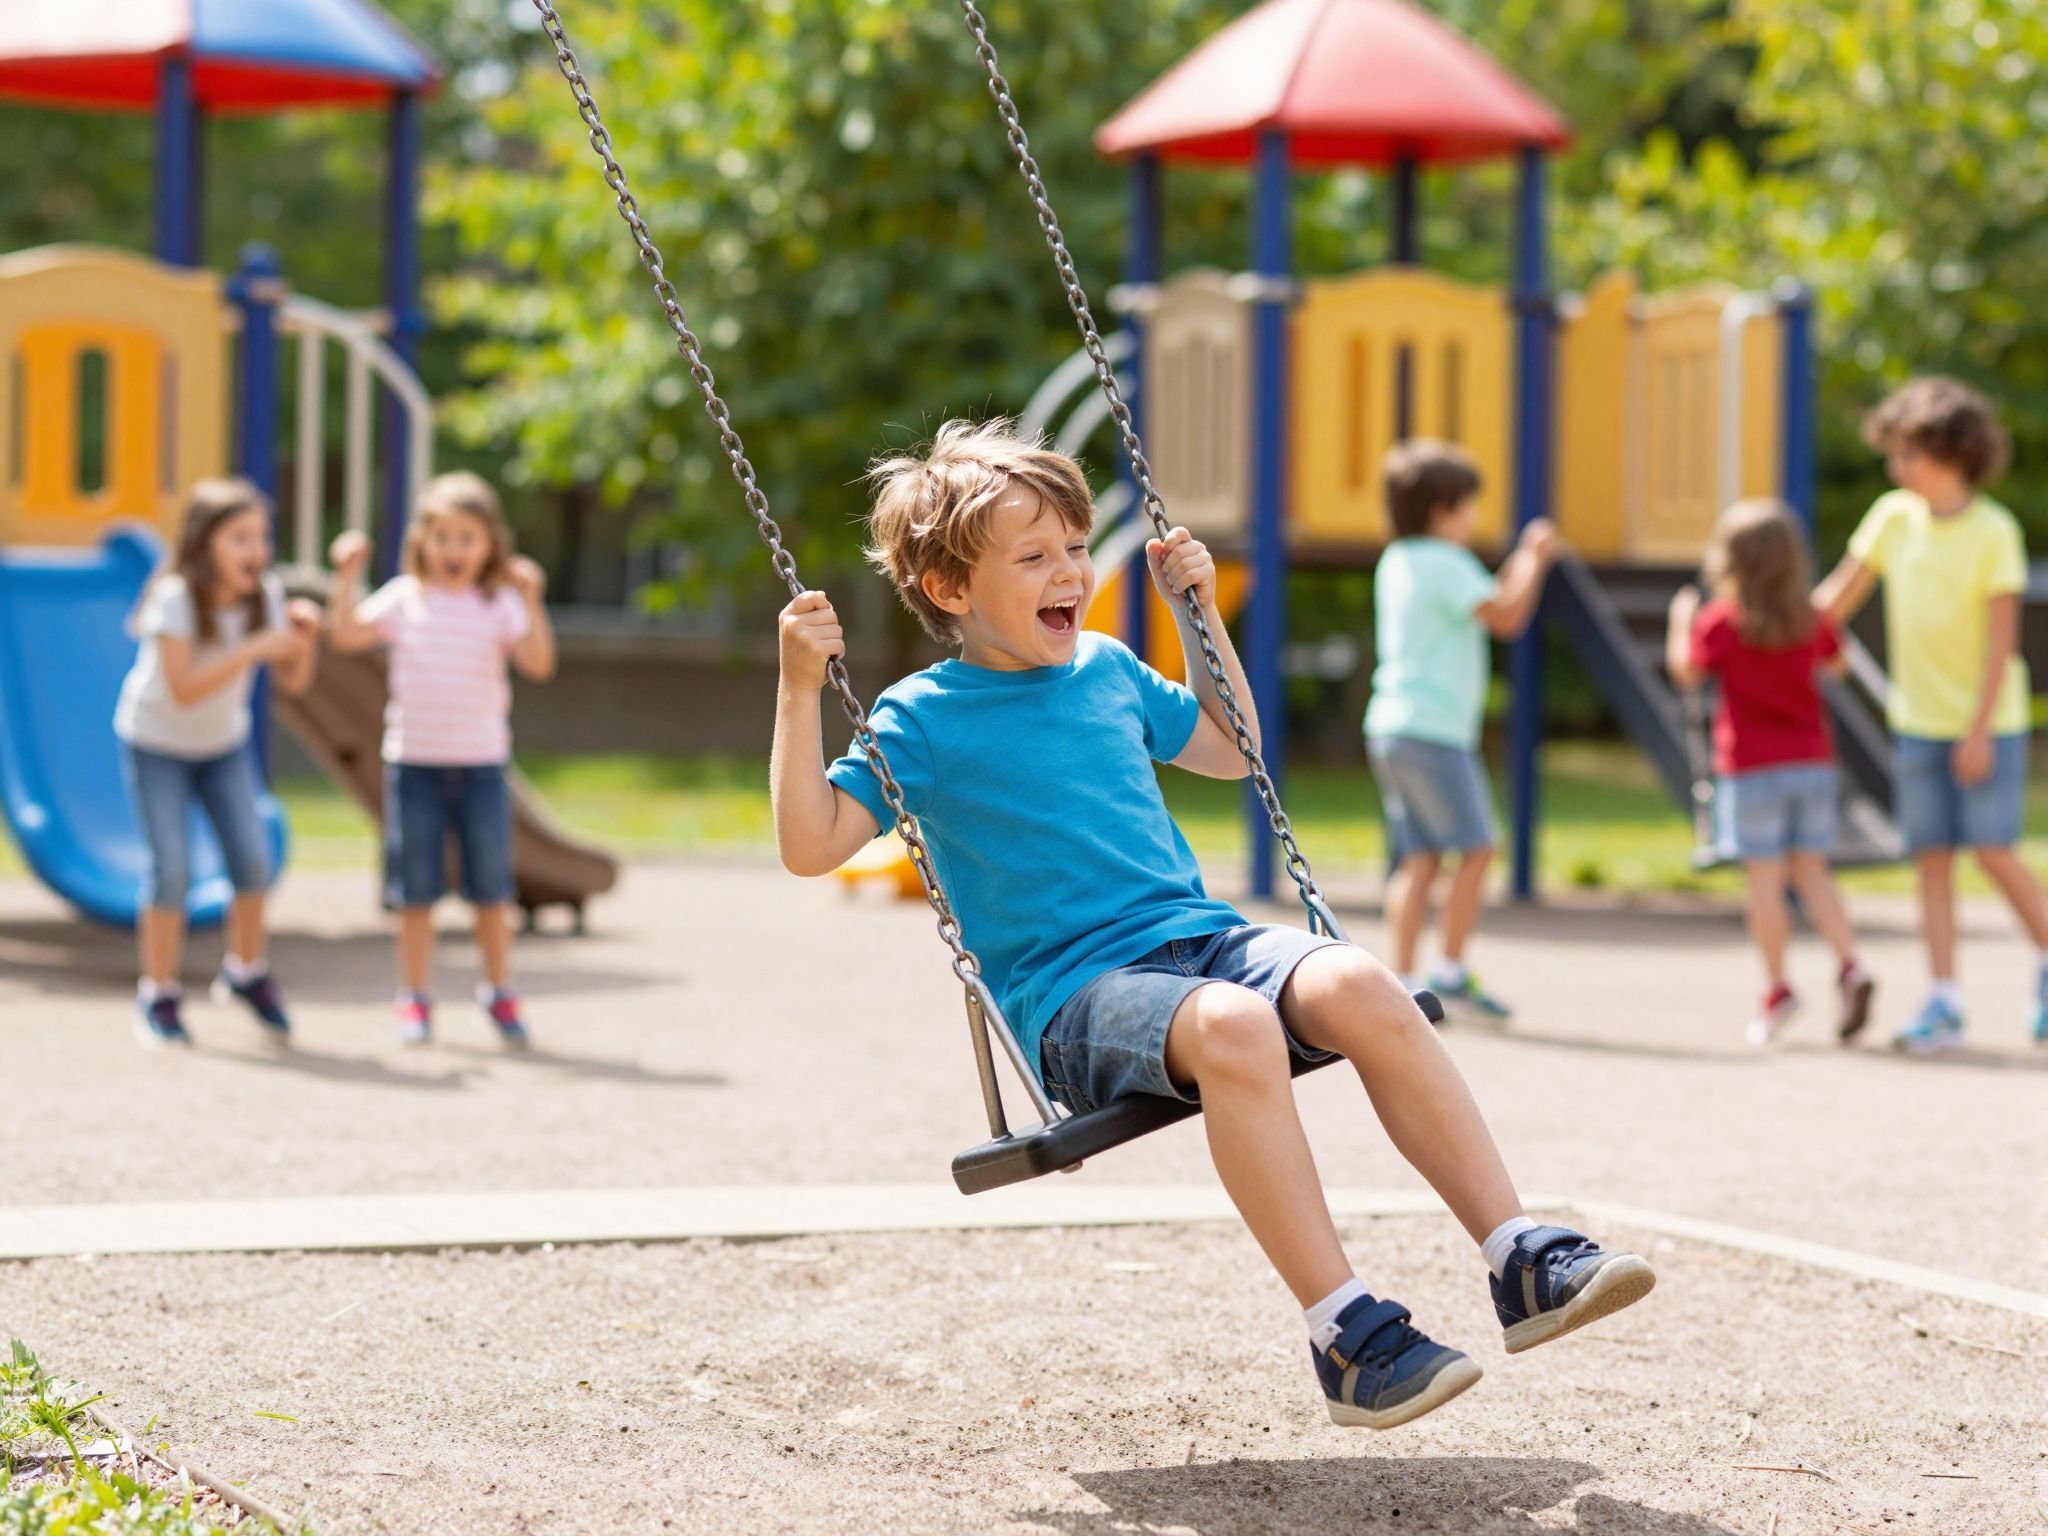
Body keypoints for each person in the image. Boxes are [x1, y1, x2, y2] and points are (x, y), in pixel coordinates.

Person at [771, 420, 1654, 1429]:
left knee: (1358, 981)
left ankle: (1518, 1257)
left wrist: (1197, 613)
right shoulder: (919, 718)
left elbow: (1235, 749)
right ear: (949, 591)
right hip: (1077, 1000)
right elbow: (811, 842)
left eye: (1071, 547)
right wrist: (800, 691)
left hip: (1203, 941)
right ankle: (1346, 1334)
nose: (1069, 571)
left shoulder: (1103, 669)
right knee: (1234, 1025)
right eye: (1033, 558)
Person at [1816, 378, 2048, 1052]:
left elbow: (2003, 642)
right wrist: (1787, 629)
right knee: (1932, 860)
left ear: (1952, 452)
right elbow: (1835, 597)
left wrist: (1977, 732)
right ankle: (1944, 1000)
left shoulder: (1992, 531)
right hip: (1916, 721)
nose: (1896, 468)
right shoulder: (1892, 517)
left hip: (1986, 723)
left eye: (1907, 454)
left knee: (1993, 851)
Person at [328, 472, 557, 1049]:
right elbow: (347, 635)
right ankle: (414, 997)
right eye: (443, 537)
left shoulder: (498, 603)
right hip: (414, 767)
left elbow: (538, 664)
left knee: (491, 891)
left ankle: (499, 990)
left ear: (489, 547)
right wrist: (346, 576)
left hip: (480, 767)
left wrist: (532, 600)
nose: (454, 550)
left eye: (468, 538)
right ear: (422, 542)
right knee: (416, 893)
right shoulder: (406, 597)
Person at [115, 478, 320, 1046]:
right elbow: (183, 689)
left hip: (222, 745)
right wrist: (255, 647)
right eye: (240, 538)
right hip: (156, 744)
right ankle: (158, 992)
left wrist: (303, 642)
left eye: (262, 536)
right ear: (205, 545)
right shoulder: (175, 598)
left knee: (253, 861)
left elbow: (294, 685)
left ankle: (245, 972)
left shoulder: (267, 596)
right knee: (172, 871)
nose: (257, 550)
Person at [1667, 500, 1875, 1046]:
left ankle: (1779, 988)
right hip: (1811, 764)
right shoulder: (1811, 619)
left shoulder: (1721, 623)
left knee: (1764, 881)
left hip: (1750, 768)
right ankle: (1850, 964)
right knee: (1812, 871)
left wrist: (1679, 623)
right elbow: (1838, 663)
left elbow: (1687, 674)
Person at [1363, 440, 1557, 1022]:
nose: (1473, 519)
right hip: (1434, 732)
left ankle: (1402, 977)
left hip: (1392, 727)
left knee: (1420, 857)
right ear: (1444, 509)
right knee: (1477, 848)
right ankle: (1449, 972)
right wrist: (1533, 556)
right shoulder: (1445, 560)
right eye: (1469, 506)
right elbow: (1506, 614)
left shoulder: (1396, 559)